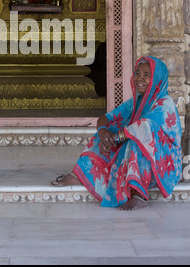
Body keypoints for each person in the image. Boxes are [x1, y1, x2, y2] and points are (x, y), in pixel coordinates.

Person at [51, 56, 182, 210]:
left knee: (137, 139)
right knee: (104, 134)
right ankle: (81, 175)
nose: (140, 78)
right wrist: (103, 132)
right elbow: (106, 118)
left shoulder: (165, 104)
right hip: (141, 156)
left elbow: (145, 127)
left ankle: (139, 194)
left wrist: (116, 137)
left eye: (147, 75)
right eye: (138, 73)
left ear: (157, 79)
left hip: (162, 164)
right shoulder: (137, 101)